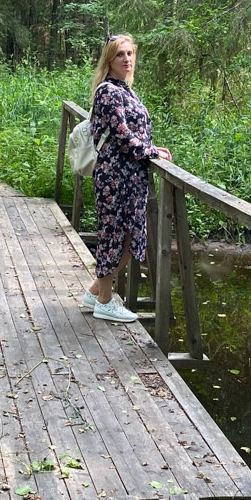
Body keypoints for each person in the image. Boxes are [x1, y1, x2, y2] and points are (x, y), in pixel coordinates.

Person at [80, 34, 171, 323]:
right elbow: (121, 135)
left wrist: (150, 149)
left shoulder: (126, 90)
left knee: (131, 235)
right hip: (114, 178)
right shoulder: (108, 91)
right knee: (115, 236)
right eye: (120, 54)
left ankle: (95, 292)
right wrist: (151, 151)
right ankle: (105, 301)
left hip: (131, 178)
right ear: (109, 60)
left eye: (130, 53)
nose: (127, 59)